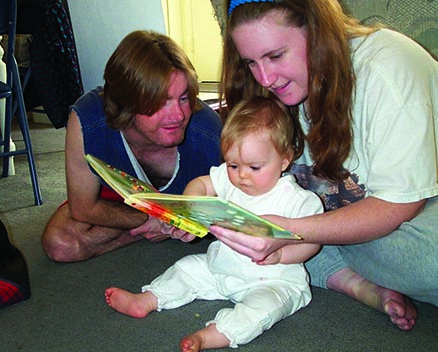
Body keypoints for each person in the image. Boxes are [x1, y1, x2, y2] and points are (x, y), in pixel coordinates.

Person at [208, 0, 438, 331]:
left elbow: (398, 205)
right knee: (248, 222)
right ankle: (351, 280)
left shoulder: (390, 69)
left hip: (436, 206)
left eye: (275, 55)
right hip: (328, 212)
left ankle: (310, 256)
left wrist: (286, 230)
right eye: (251, 62)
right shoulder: (269, 85)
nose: (266, 78)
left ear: (317, 33)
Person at [104, 96, 324, 351]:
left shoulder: (299, 201)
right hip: (220, 267)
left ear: (284, 160)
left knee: (262, 309)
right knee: (186, 268)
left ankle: (212, 335)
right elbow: (201, 183)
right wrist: (191, 203)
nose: (241, 175)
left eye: (254, 167)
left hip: (274, 280)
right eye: (233, 164)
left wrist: (282, 255)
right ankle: (149, 299)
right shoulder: (230, 178)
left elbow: (312, 243)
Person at [41, 30, 222, 263]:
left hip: (192, 201)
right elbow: (82, 208)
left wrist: (192, 220)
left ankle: (163, 227)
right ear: (125, 101)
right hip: (124, 198)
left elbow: (250, 207)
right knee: (61, 244)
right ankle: (157, 228)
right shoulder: (88, 120)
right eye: (161, 101)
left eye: (184, 98)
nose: (178, 115)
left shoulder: (210, 135)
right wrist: (154, 220)